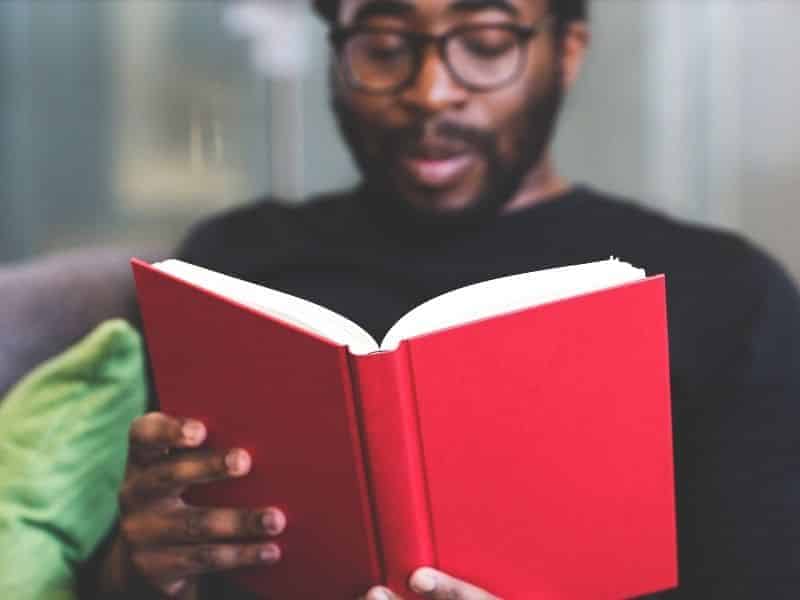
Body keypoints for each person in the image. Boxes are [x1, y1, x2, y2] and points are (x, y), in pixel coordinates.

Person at [93, 1, 800, 598]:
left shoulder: (729, 294)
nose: (431, 92)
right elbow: (135, 556)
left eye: (487, 45)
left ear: (568, 50)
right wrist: (144, 567)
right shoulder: (229, 267)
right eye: (384, 45)